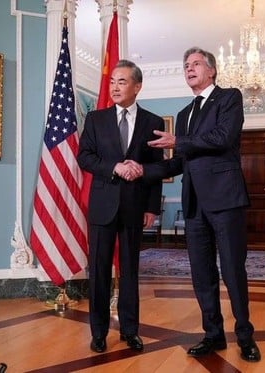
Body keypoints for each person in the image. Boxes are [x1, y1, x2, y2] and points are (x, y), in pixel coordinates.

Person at [144, 47, 261, 362]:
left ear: (211, 70)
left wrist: (177, 143)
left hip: (225, 200)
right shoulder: (184, 115)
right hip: (194, 203)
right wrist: (143, 170)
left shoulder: (229, 98)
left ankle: (246, 337)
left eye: (195, 64)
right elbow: (181, 161)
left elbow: (222, 138)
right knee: (201, 273)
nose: (189, 69)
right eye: (185, 65)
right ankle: (213, 335)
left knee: (233, 271)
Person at [77, 59, 164, 354]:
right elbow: (85, 157)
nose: (114, 87)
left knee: (130, 272)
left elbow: (157, 168)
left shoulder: (153, 122)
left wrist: (152, 207)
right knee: (99, 272)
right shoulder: (95, 119)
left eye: (122, 82)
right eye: (112, 81)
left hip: (134, 207)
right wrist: (114, 166)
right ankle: (99, 332)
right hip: (102, 206)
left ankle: (130, 330)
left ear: (137, 87)